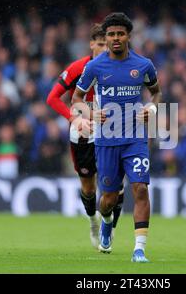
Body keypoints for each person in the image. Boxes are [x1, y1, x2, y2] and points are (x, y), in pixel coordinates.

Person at [72, 13, 162, 263]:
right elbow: (76, 99)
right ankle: (107, 223)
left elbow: (156, 93)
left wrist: (152, 109)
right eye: (111, 34)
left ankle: (139, 250)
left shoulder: (144, 65)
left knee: (140, 189)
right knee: (108, 200)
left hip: (135, 137)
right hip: (107, 140)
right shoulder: (95, 67)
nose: (115, 38)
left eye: (120, 34)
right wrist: (92, 113)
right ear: (106, 37)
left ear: (128, 36)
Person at [46, 24, 124, 249]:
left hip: (111, 132)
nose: (103, 48)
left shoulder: (118, 68)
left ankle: (108, 231)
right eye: (99, 44)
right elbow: (53, 98)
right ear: (91, 44)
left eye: (106, 43)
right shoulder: (78, 68)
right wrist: (75, 119)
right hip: (82, 134)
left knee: (114, 186)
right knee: (89, 188)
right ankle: (93, 221)